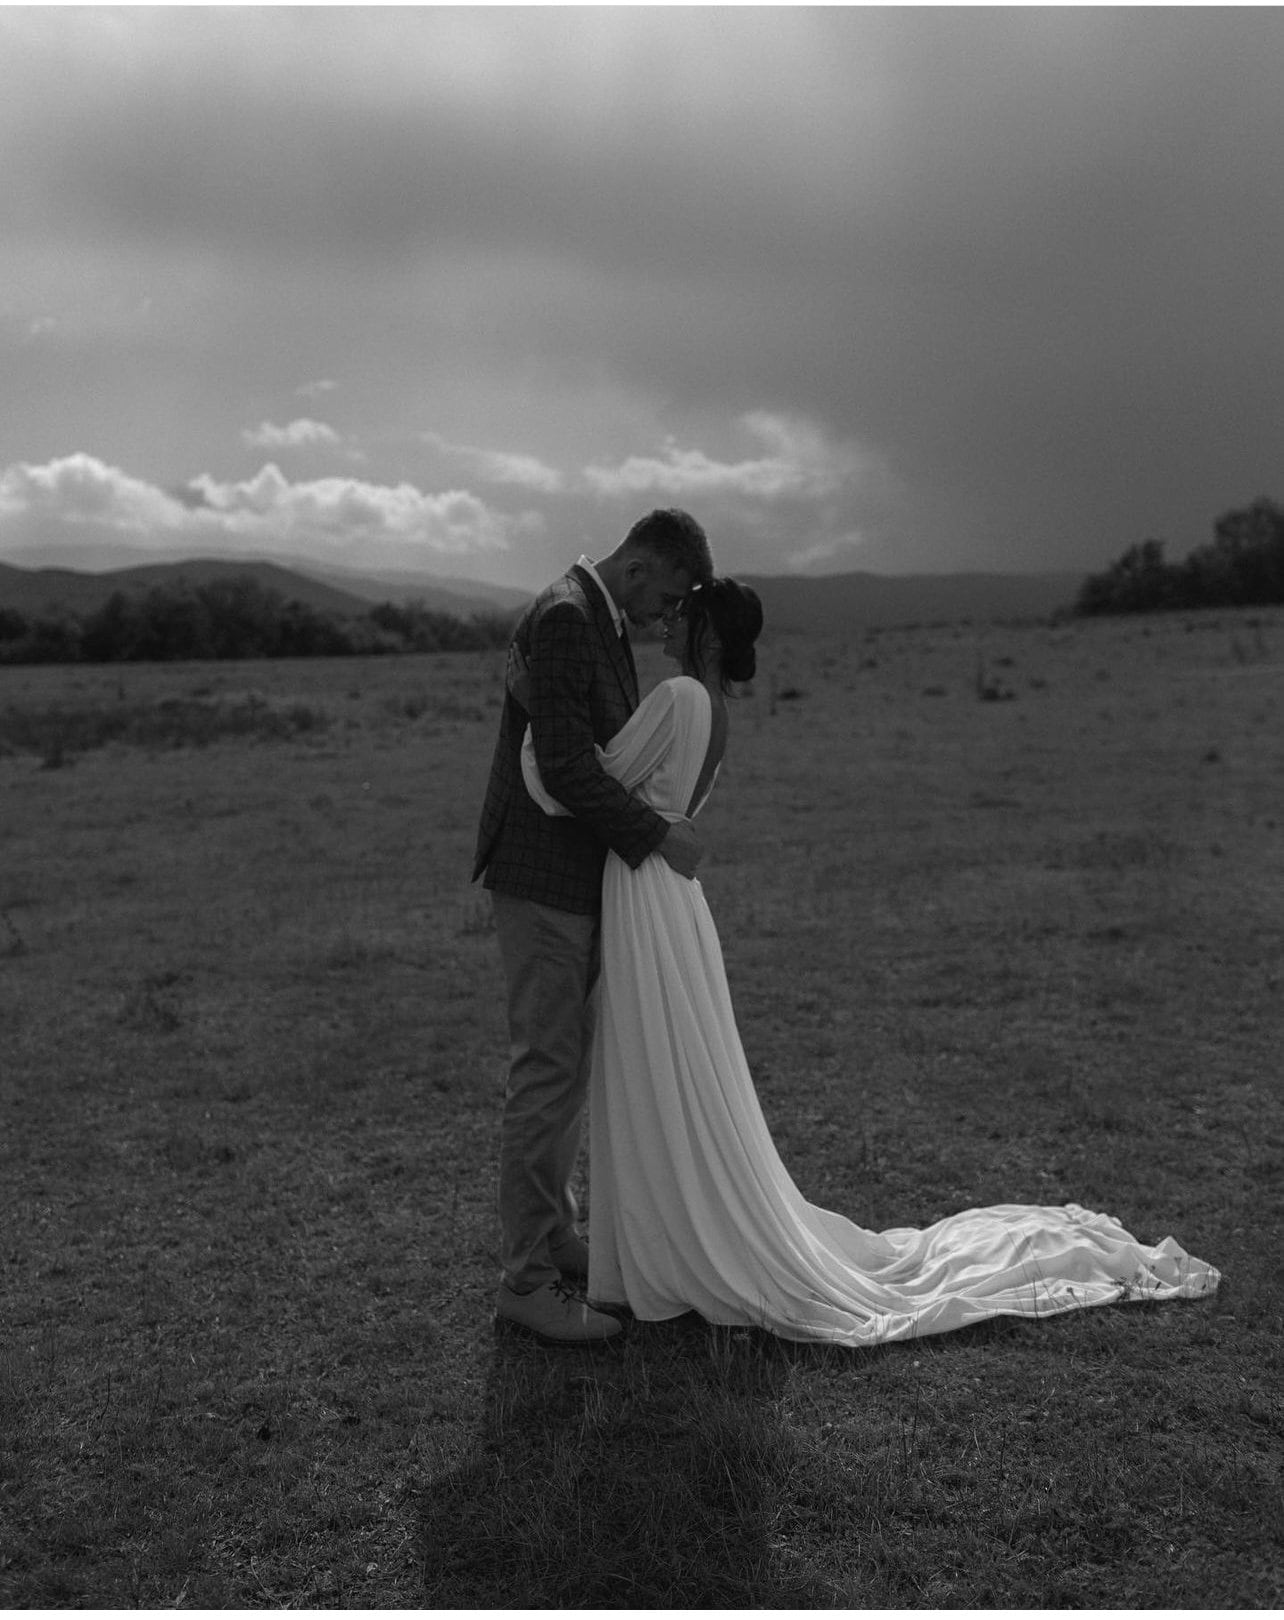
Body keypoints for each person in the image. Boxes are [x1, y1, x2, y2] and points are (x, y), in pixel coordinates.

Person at [521, 578, 1220, 1345]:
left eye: (682, 612)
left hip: (646, 882)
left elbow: (581, 781)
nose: (668, 621)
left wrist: (534, 708)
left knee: (656, 1061)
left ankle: (670, 1243)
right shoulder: (713, 709)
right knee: (667, 1064)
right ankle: (664, 1234)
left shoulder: (682, 696)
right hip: (667, 886)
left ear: (709, 635)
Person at [473, 508, 715, 1345]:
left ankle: (553, 1236)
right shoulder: (573, 616)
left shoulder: (593, 615)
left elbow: (596, 749)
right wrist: (657, 837)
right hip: (543, 878)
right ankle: (527, 1282)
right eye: (672, 596)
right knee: (545, 1071)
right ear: (643, 566)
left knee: (565, 1069)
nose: (667, 617)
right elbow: (573, 765)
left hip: (568, 879)